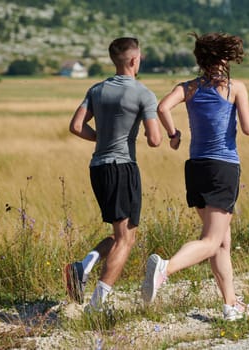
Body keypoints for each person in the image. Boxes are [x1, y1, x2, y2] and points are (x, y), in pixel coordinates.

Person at [141, 32, 249, 321]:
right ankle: (165, 269)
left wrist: (174, 134)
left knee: (222, 241)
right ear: (223, 58)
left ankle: (231, 304)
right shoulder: (235, 88)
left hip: (196, 168)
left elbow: (162, 107)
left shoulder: (189, 88)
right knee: (211, 239)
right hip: (223, 168)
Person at [65, 37, 162, 311]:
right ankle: (97, 304)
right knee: (125, 239)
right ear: (134, 60)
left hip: (98, 167)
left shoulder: (96, 90)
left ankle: (82, 267)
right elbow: (155, 140)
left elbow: (75, 126)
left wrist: (100, 140)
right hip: (123, 167)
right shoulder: (143, 93)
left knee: (122, 233)